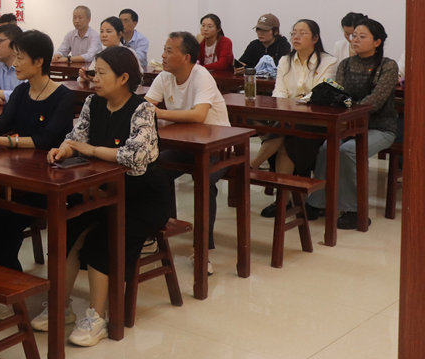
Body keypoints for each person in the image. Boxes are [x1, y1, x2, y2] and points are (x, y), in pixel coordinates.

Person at [40, 47, 171, 347]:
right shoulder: (93, 102)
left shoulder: (142, 110)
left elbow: (134, 157)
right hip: (102, 193)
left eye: (101, 73)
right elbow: (77, 137)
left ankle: (97, 317)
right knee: (67, 229)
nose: (94, 78)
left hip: (143, 200)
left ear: (123, 78)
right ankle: (60, 307)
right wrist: (65, 149)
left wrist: (92, 150)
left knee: (102, 239)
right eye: (94, 72)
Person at [0, 30, 75, 310]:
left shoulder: (63, 97)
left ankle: (11, 295)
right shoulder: (21, 91)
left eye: (20, 58)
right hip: (17, 177)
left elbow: (46, 140)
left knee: (3, 224)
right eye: (15, 57)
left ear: (39, 61)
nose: (14, 64)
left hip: (47, 182)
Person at [146, 32, 230, 269]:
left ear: (186, 58)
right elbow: (146, 107)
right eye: (164, 49)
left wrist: (160, 114)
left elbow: (199, 115)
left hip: (217, 147)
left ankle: (202, 250)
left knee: (205, 182)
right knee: (152, 171)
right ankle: (157, 230)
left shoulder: (201, 76)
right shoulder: (164, 76)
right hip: (185, 145)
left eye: (169, 51)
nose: (163, 55)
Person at [307, 18, 399, 230]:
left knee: (348, 151)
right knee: (326, 148)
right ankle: (317, 203)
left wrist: (349, 112)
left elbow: (375, 101)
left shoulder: (387, 66)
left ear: (377, 42)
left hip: (380, 127)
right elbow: (338, 94)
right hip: (348, 125)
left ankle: (353, 210)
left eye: (361, 36)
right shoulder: (346, 64)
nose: (355, 39)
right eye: (353, 35)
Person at [251, 20, 337, 217]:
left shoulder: (329, 62)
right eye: (294, 33)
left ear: (315, 38)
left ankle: (253, 166)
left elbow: (319, 94)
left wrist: (294, 104)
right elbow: (279, 92)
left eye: (302, 33)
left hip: (316, 121)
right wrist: (289, 106)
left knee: (285, 136)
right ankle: (283, 200)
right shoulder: (285, 61)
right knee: (284, 135)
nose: (296, 37)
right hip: (287, 118)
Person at [78, 17, 124, 82]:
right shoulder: (100, 54)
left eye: (108, 31)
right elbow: (81, 79)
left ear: (120, 34)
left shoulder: (128, 53)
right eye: (101, 31)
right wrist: (85, 76)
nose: (104, 35)